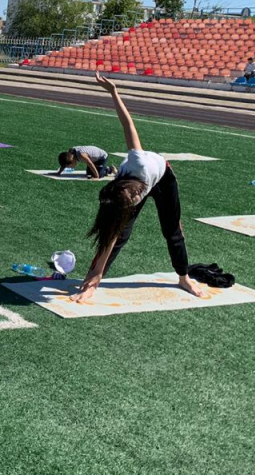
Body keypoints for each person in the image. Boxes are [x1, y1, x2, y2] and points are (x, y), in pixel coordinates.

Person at [71, 72, 207, 304]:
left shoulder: (138, 163)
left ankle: (183, 277)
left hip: (162, 177)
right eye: (132, 200)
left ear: (129, 186)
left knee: (172, 230)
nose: (135, 199)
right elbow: (110, 236)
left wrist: (114, 92)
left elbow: (127, 124)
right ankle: (93, 279)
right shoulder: (121, 198)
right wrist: (94, 277)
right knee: (119, 235)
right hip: (134, 188)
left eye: (133, 195)